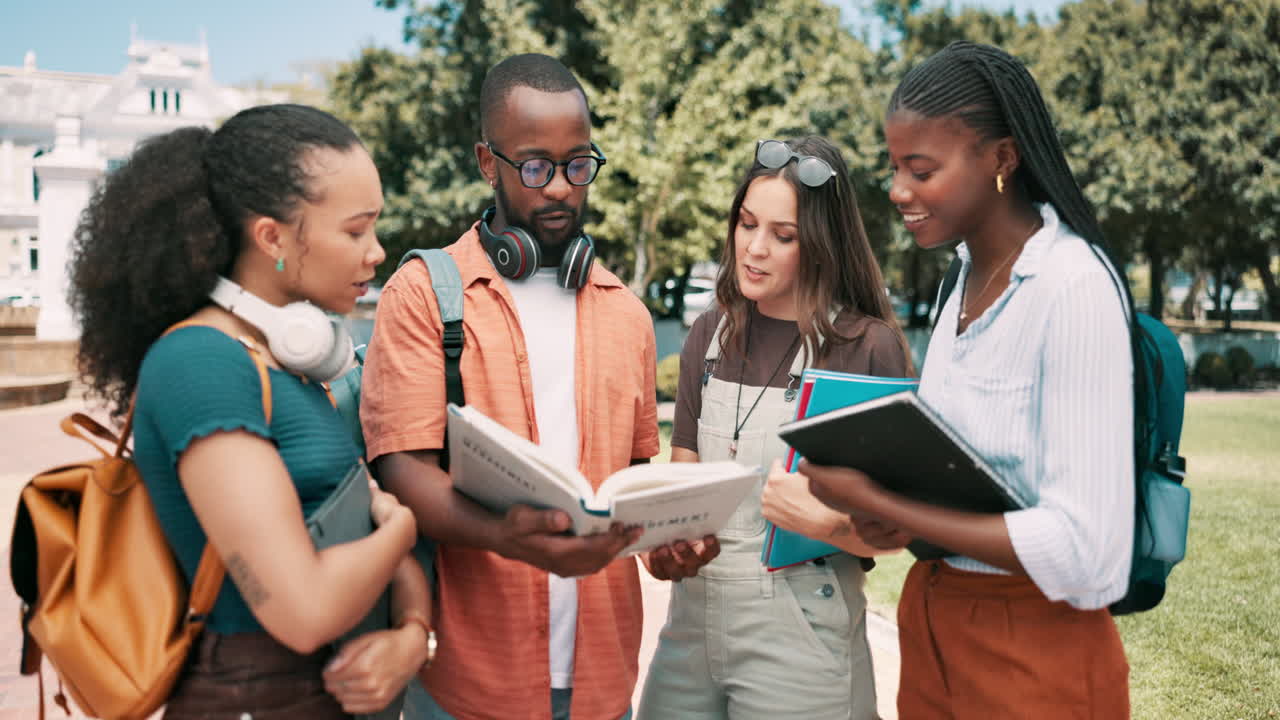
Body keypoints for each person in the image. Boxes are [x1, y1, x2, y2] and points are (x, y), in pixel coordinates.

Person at [799, 41, 1136, 718]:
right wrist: (893, 517)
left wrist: (888, 506)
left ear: (1002, 159)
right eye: (894, 167)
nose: (897, 191)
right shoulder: (959, 283)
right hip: (934, 631)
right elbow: (966, 482)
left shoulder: (1071, 287)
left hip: (1036, 655)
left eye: (921, 169)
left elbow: (1087, 553)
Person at [66, 104, 434, 719]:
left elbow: (357, 531)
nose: (376, 252)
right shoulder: (200, 367)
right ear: (272, 237)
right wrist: (403, 531)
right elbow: (304, 610)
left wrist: (413, 636)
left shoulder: (279, 362)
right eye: (355, 230)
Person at [359, 53, 672, 720]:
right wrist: (509, 538)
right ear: (485, 161)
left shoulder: (628, 312)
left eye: (578, 164)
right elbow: (402, 471)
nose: (559, 187)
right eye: (534, 166)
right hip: (470, 683)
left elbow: (633, 478)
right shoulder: (424, 294)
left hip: (602, 682)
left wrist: (672, 535)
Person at [636, 136, 913, 720]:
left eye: (783, 236)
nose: (754, 249)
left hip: (802, 631)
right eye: (746, 224)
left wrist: (828, 524)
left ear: (819, 246)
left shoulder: (866, 349)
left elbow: (895, 530)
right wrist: (664, 547)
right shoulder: (706, 335)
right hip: (690, 623)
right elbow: (681, 487)